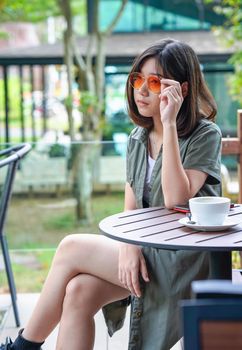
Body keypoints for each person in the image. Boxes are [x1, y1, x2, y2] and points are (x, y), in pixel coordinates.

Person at [0, 38, 221, 350]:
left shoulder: (204, 135)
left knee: (70, 246)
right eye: (137, 80)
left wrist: (170, 124)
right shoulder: (137, 137)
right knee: (78, 291)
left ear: (181, 90)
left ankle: (23, 346)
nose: (142, 90)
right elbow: (130, 209)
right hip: (144, 250)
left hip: (180, 257)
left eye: (155, 82)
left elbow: (176, 200)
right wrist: (128, 249)